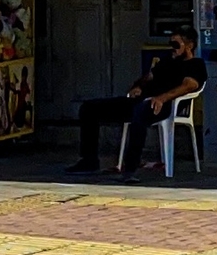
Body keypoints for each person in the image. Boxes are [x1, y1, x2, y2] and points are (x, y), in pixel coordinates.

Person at [68, 27, 206, 181]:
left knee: (140, 114)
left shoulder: (195, 64)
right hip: (141, 100)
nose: (172, 48)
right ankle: (89, 161)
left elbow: (189, 85)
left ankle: (130, 168)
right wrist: (138, 86)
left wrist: (162, 98)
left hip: (165, 105)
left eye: (176, 45)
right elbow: (148, 77)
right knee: (89, 108)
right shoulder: (167, 61)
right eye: (171, 44)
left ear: (189, 46)